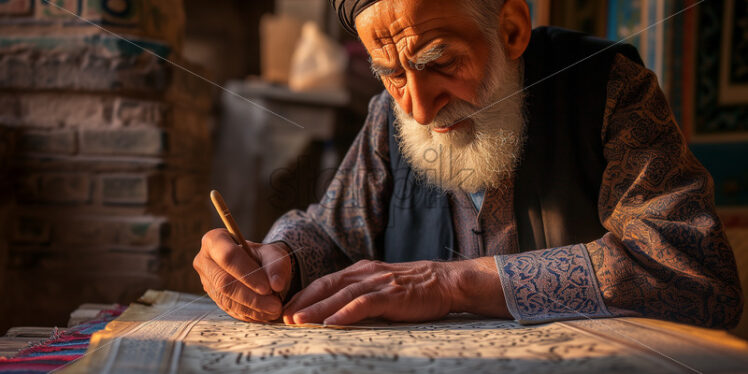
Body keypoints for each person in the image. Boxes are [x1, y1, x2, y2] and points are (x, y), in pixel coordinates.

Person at [194, 0, 743, 328]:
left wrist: (454, 283)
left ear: (510, 30)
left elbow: (697, 277)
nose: (418, 106)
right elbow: (332, 234)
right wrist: (278, 258)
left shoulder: (607, 90)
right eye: (390, 73)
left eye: (442, 63)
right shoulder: (390, 114)